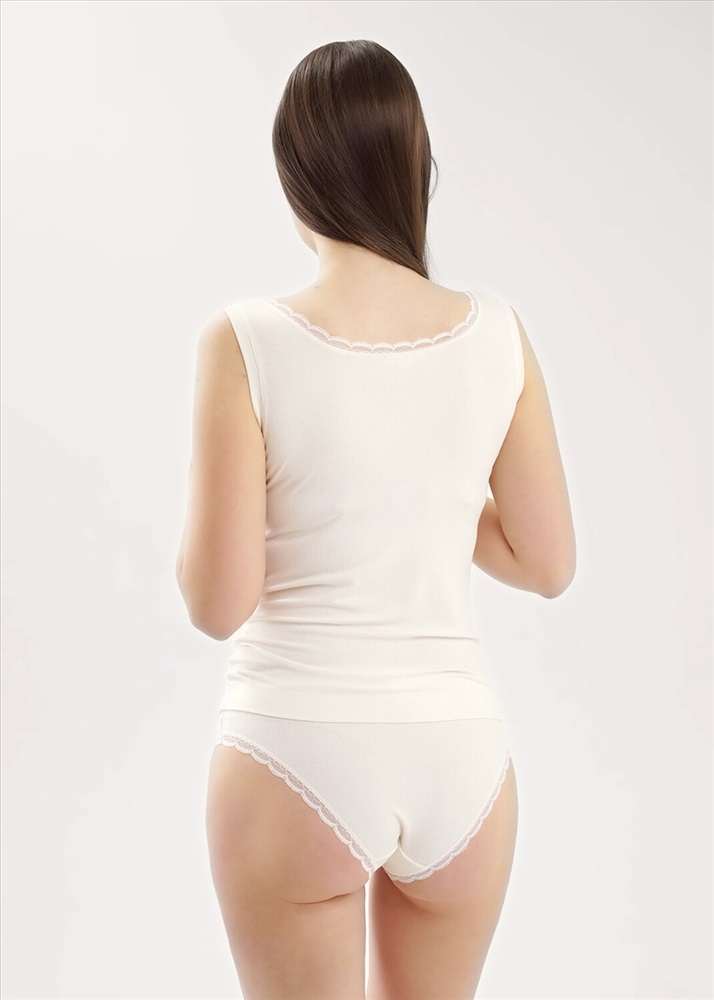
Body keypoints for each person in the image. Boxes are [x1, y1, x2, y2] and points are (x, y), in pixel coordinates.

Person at [177, 38, 576, 1000]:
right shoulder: (498, 334)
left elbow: (219, 605)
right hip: (460, 757)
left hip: (295, 746)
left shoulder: (245, 340)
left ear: (295, 176)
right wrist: (426, 487)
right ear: (416, 168)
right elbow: (547, 561)